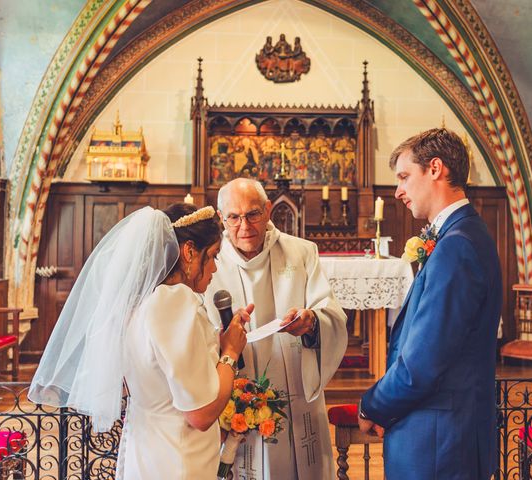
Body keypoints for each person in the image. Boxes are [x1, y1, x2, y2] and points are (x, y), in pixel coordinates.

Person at [29, 203, 251, 479]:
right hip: (178, 455)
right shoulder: (175, 301)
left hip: (147, 445)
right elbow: (201, 415)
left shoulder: (140, 301)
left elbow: (161, 372)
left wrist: (214, 346)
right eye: (214, 256)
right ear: (190, 251)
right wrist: (230, 352)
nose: (215, 268)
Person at [358, 128, 502, 479]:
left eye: (405, 177)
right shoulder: (464, 233)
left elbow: (422, 363)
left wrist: (371, 405)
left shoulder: (457, 245)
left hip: (440, 441)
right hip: (445, 433)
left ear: (435, 168)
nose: (398, 191)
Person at [206, 178, 347, 479]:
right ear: (222, 218)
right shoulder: (211, 262)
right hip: (234, 391)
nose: (244, 226)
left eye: (253, 214)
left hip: (293, 383)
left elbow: (331, 314)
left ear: (269, 210)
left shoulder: (302, 252)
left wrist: (311, 321)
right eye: (234, 217)